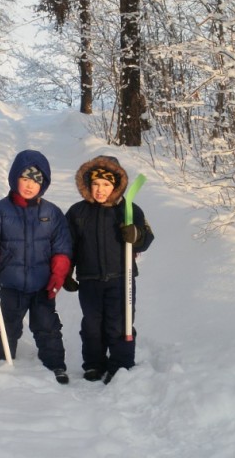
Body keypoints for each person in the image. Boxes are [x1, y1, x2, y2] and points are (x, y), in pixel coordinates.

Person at [0, 149, 72, 384]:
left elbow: (62, 245)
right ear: (15, 178)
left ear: (43, 184)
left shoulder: (52, 213)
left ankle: (55, 364)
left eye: (36, 181)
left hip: (42, 283)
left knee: (47, 326)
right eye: (25, 178)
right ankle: (0, 359)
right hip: (11, 282)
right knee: (7, 323)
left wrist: (59, 271)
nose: (29, 185)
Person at [65, 155, 154, 384]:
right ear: (87, 185)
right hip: (89, 279)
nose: (100, 189)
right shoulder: (78, 212)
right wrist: (66, 272)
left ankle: (121, 365)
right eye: (95, 184)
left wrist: (136, 235)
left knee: (120, 323)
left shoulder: (129, 209)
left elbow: (146, 237)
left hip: (121, 278)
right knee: (93, 326)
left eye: (106, 184)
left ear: (116, 184)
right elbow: (68, 246)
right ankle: (94, 364)